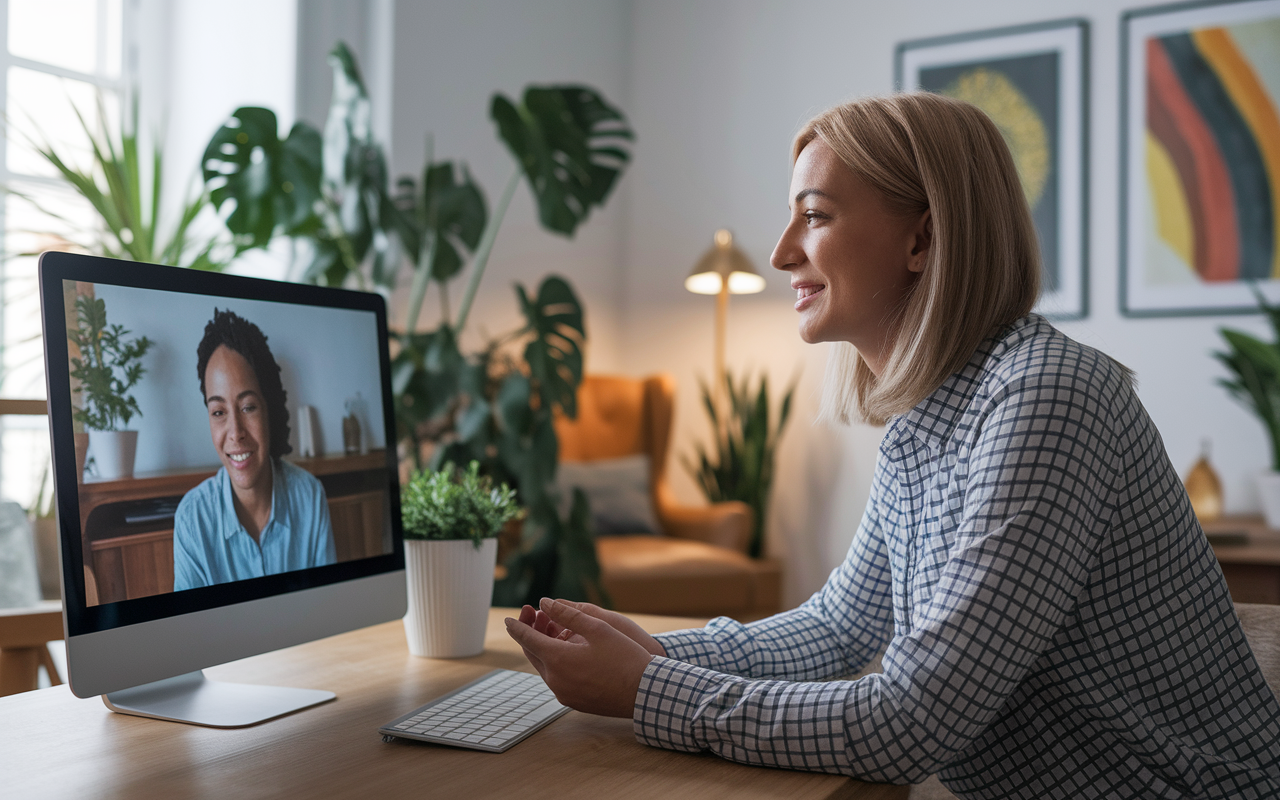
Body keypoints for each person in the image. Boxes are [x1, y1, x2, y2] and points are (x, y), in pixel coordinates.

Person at [505, 93, 1280, 798]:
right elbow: (841, 626)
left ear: (923, 240)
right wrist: (652, 653)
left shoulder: (1047, 397)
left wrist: (646, 691)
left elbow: (913, 721)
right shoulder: (930, 418)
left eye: (813, 216)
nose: (780, 254)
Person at [174, 309, 335, 591]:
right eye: (219, 411)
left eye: (248, 407)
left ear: (268, 407)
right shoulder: (192, 519)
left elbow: (327, 608)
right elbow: (192, 633)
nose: (235, 433)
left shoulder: (309, 495)